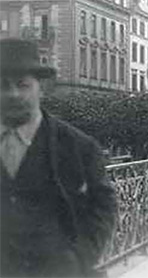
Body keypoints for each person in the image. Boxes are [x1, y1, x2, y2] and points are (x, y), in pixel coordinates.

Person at [0, 38, 118, 277]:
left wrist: (79, 259)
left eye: (23, 85)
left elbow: (103, 207)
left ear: (41, 87)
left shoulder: (79, 147)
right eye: (3, 85)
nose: (13, 94)